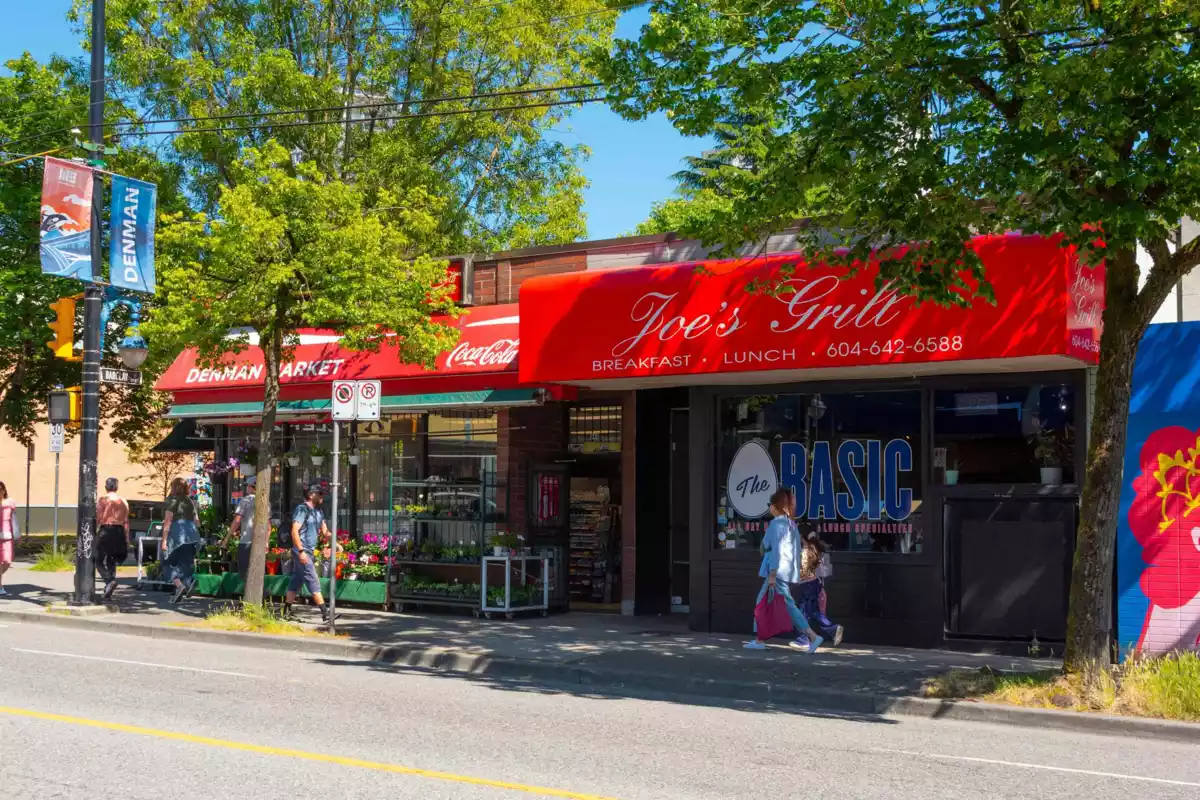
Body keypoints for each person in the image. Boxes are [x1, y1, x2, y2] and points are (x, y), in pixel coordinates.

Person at [744, 487, 824, 653]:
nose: (769, 508)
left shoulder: (777, 524)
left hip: (776, 572)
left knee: (771, 604)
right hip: (785, 571)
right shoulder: (790, 524)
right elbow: (794, 551)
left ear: (775, 506)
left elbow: (777, 550)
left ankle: (812, 636)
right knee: (770, 603)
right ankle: (760, 639)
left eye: (770, 504)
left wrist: (772, 574)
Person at [284, 483, 339, 624]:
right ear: (310, 495)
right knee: (312, 578)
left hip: (308, 550)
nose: (322, 496)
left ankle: (286, 612)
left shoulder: (318, 512)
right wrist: (301, 551)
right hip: (301, 550)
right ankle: (325, 613)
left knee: (296, 579)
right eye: (319, 493)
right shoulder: (302, 509)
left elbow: (325, 532)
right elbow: (294, 531)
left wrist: (335, 543)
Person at [793, 531, 844, 649]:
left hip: (807, 585)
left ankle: (803, 638)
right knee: (813, 612)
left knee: (802, 612)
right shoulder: (815, 549)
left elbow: (807, 573)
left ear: (802, 537)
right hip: (815, 584)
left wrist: (795, 577)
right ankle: (832, 629)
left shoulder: (806, 551)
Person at [161, 478, 201, 603]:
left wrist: (164, 540)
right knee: (185, 562)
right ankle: (189, 582)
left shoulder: (171, 501)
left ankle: (179, 586)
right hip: (192, 534)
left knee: (166, 561)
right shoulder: (190, 501)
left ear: (174, 487)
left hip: (178, 534)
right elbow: (198, 522)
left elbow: (168, 520)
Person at [95, 478, 131, 600]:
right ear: (116, 487)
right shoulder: (123, 501)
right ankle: (108, 588)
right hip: (119, 531)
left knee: (97, 559)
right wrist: (126, 538)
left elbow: (98, 518)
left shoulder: (103, 500)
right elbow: (126, 522)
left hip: (107, 529)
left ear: (106, 487)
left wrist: (95, 532)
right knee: (112, 559)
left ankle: (109, 580)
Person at [223, 476, 257, 580]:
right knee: (256, 570)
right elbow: (268, 526)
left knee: (243, 571)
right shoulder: (266, 502)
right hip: (259, 541)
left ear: (251, 487)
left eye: (247, 485)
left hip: (246, 541)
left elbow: (237, 520)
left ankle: (262, 592)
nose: (246, 488)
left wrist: (227, 537)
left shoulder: (245, 500)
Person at [0, 482, 16, 597]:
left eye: (1, 489)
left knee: (7, 561)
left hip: (7, 535)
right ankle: (0, 587)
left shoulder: (10, 502)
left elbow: (14, 519)